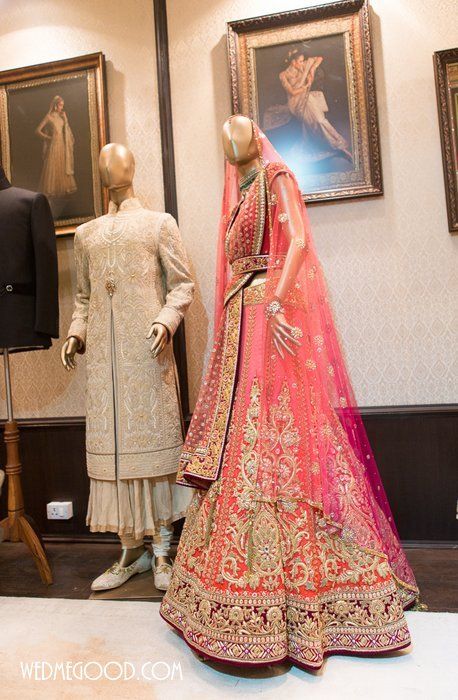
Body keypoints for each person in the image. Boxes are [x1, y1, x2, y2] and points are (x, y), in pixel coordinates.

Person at [160, 116, 419, 671]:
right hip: (239, 320)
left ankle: (301, 599)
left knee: (275, 438)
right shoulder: (238, 193)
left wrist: (277, 300)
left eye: (241, 130)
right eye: (224, 133)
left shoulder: (277, 175)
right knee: (239, 446)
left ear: (257, 137)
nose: (231, 139)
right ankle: (226, 590)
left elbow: (298, 239)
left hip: (266, 318)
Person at [279, 48, 352, 161]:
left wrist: (312, 69)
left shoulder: (303, 67)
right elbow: (292, 92)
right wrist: (306, 85)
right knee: (315, 122)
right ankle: (331, 144)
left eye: (303, 61)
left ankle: (338, 145)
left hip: (307, 97)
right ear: (293, 62)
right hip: (295, 103)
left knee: (319, 120)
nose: (303, 63)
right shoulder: (283, 75)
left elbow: (319, 58)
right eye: (300, 61)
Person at [36, 95, 77, 197]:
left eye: (62, 105)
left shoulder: (61, 117)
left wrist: (65, 119)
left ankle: (61, 190)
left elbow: (66, 131)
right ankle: (51, 190)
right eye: (60, 105)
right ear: (55, 105)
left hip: (62, 145)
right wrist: (48, 138)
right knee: (52, 167)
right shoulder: (49, 117)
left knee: (62, 166)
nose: (62, 108)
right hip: (54, 145)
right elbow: (37, 131)